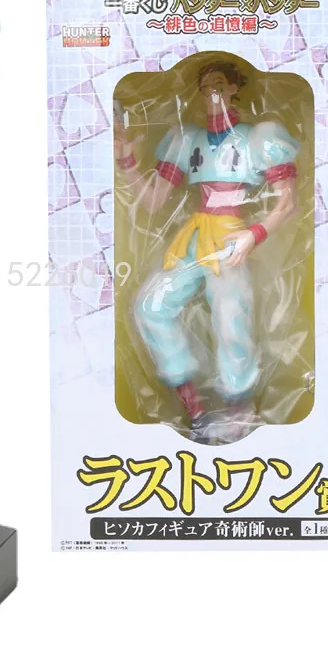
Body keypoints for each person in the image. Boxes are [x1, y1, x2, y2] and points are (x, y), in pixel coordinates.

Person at [114, 61, 298, 443]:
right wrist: (127, 161)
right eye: (204, 86)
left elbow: (287, 203)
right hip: (195, 236)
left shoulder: (257, 138)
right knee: (150, 305)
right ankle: (193, 406)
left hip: (231, 239)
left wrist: (254, 235)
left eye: (218, 83)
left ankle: (239, 407)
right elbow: (153, 201)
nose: (210, 91)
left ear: (233, 88)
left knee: (232, 316)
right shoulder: (188, 139)